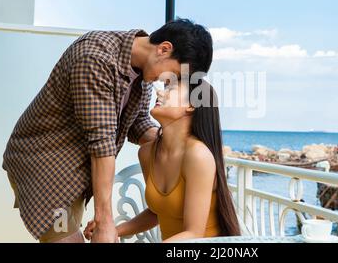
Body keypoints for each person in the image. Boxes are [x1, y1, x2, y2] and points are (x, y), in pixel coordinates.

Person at [2, 19, 213, 243]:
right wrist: (105, 222)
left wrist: (184, 144)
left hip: (75, 175)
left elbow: (138, 124)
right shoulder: (95, 58)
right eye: (172, 75)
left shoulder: (143, 70)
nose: (166, 83)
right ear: (164, 49)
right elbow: (102, 144)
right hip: (44, 168)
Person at [84, 79, 241, 242]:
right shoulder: (146, 153)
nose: (159, 92)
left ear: (191, 106)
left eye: (171, 89)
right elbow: (157, 212)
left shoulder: (197, 155)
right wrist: (112, 230)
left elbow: (194, 234)